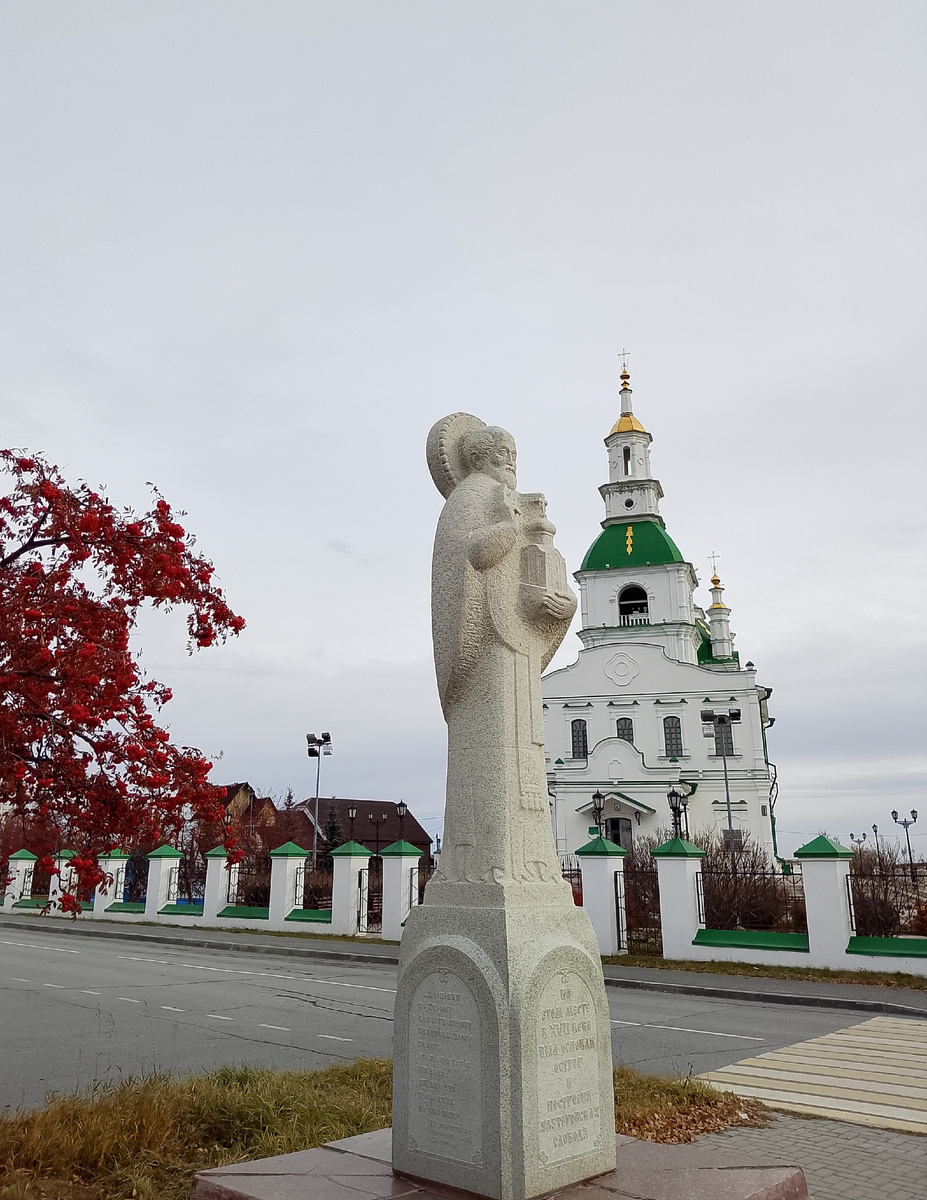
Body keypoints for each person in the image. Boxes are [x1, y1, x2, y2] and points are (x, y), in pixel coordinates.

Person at [426, 413, 577, 889]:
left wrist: (560, 605)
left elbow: (543, 575)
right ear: (477, 459)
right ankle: (483, 867)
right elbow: (469, 558)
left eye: (513, 455)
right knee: (492, 759)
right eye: (500, 455)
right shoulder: (468, 498)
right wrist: (509, 528)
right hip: (484, 647)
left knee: (526, 758)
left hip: (517, 646)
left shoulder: (514, 502)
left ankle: (531, 866)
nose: (510, 463)